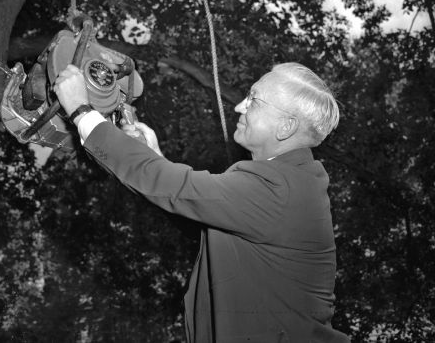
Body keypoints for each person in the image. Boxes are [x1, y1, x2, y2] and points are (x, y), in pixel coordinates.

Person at [54, 62, 349, 343]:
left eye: (253, 100)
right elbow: (197, 212)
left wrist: (82, 111)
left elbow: (176, 187)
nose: (238, 107)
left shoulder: (279, 187)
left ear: (285, 127)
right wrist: (156, 160)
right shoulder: (289, 181)